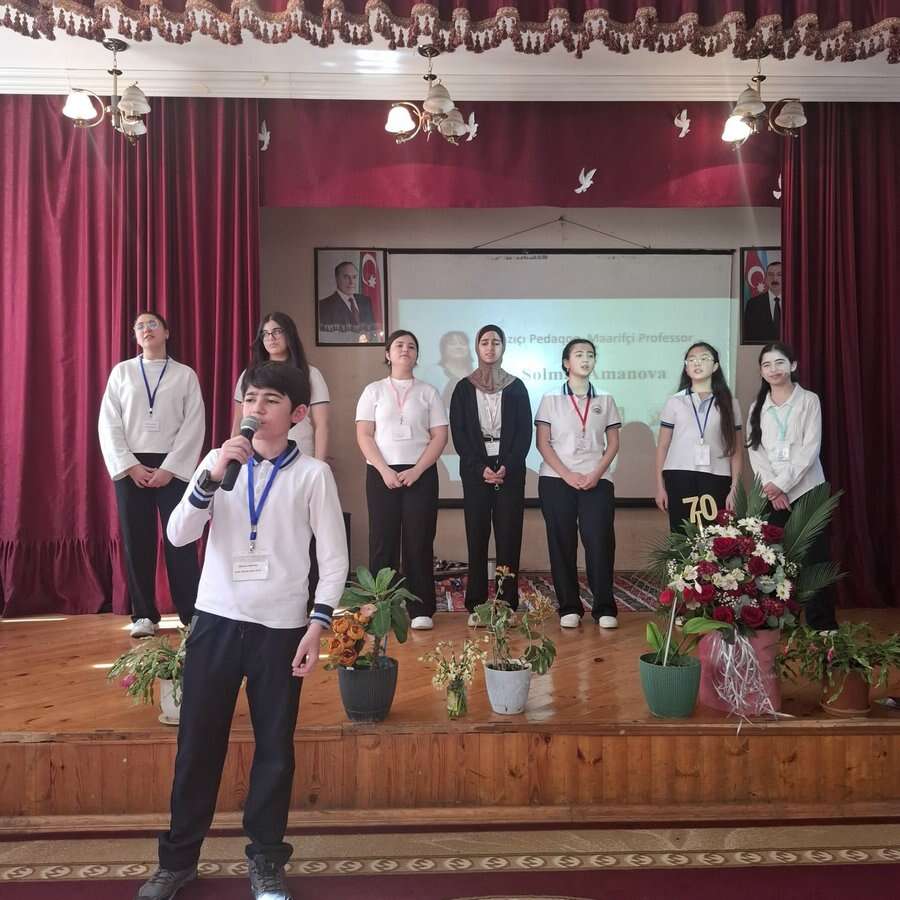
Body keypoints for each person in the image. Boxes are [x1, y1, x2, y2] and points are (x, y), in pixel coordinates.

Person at [135, 362, 348, 900]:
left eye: (270, 400)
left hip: (281, 629)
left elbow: (334, 558)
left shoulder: (312, 475)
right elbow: (178, 534)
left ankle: (266, 860)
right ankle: (178, 861)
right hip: (216, 621)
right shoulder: (218, 463)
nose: (256, 408)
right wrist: (209, 479)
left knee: (274, 749)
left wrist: (317, 624)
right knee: (197, 745)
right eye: (250, 399)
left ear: (298, 414)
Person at [98, 311, 204, 638]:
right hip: (131, 466)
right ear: (135, 336)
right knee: (137, 540)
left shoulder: (185, 375)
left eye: (152, 324)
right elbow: (109, 422)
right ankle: (144, 614)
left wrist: (171, 468)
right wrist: (129, 465)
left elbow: (194, 423)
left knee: (180, 538)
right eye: (140, 326)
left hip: (173, 466)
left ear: (167, 332)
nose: (146, 329)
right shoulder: (122, 372)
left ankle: (191, 614)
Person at [355, 329, 448, 630]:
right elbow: (364, 434)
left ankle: (421, 609)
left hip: (420, 473)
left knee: (419, 541)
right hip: (381, 472)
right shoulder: (373, 391)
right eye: (398, 345)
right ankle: (382, 607)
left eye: (411, 346)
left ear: (417, 355)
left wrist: (417, 470)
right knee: (382, 541)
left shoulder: (428, 392)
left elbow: (439, 436)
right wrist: (384, 470)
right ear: (388, 354)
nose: (405, 349)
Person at [746, 342, 838, 630]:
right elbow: (755, 452)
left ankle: (822, 625)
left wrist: (782, 484)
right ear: (761, 371)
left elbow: (810, 450)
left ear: (793, 365)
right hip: (773, 494)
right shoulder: (757, 407)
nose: (773, 369)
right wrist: (772, 488)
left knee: (815, 559)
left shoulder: (809, 400)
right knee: (773, 559)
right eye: (767, 364)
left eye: (779, 363)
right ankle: (779, 622)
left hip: (808, 489)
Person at [535, 339, 621, 629]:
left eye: (590, 355)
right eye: (579, 355)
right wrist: (567, 474)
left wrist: (595, 473)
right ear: (566, 363)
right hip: (556, 479)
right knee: (561, 542)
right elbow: (543, 443)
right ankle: (569, 606)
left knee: (599, 541)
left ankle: (604, 607)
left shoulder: (605, 399)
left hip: (597, 479)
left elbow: (613, 444)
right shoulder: (551, 398)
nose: (586, 359)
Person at [449, 325, 532, 624]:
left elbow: (524, 433)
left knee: (509, 538)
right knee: (477, 537)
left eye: (496, 342)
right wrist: (479, 468)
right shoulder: (463, 388)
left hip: (510, 470)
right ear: (477, 348)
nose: (490, 347)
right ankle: (476, 604)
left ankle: (507, 605)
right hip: (476, 471)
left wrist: (508, 465)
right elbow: (459, 434)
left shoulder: (516, 387)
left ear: (503, 347)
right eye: (484, 342)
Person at [655, 342, 742, 532]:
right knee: (682, 534)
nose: (697, 363)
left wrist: (735, 487)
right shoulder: (675, 401)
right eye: (691, 359)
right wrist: (660, 486)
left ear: (715, 366)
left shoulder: (730, 402)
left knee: (713, 534)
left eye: (704, 358)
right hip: (679, 474)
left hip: (716, 476)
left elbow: (735, 449)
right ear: (686, 368)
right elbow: (663, 446)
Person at [317, 261, 375, 341]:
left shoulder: (365, 301)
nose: (351, 282)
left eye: (354, 277)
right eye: (346, 277)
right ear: (337, 279)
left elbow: (372, 331)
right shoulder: (324, 306)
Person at [743, 260, 782, 343]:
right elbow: (748, 336)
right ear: (766, 279)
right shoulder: (753, 304)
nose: (774, 279)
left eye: (779, 274)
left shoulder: (794, 304)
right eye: (770, 275)